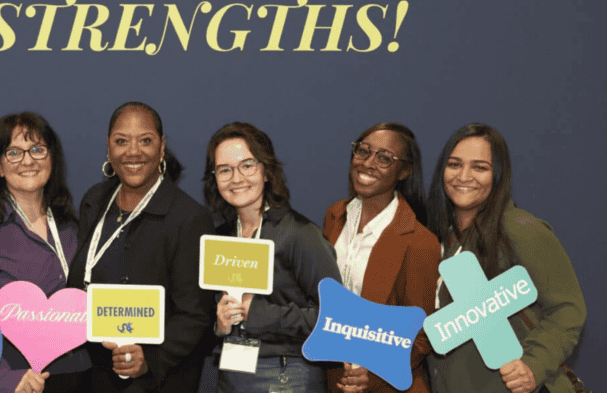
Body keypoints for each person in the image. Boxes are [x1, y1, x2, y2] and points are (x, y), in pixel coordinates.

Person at [66, 102, 215, 393]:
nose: (133, 152)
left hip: (161, 377)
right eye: (121, 141)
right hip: (99, 374)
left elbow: (195, 314)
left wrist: (150, 359)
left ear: (162, 148)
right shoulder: (94, 202)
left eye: (145, 140)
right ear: (108, 148)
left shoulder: (189, 217)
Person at [426, 124, 586, 393]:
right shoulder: (441, 239)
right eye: (454, 164)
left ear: (498, 175)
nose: (464, 176)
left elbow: (568, 310)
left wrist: (533, 366)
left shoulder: (520, 229)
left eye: (479, 167)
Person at [0, 112, 91, 393]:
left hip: (78, 373)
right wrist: (4, 377)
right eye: (14, 152)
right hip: (18, 381)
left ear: (52, 158)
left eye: (37, 149)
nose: (28, 161)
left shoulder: (70, 224)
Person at [204, 123, 340, 393]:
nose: (236, 178)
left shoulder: (299, 234)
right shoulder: (219, 238)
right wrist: (219, 324)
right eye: (225, 170)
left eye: (247, 165)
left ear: (266, 170)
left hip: (286, 375)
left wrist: (262, 314)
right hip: (231, 375)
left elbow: (336, 318)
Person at [321, 122, 440, 393]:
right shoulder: (335, 216)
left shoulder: (420, 242)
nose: (368, 163)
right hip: (335, 380)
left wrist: (372, 375)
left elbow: (422, 335)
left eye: (385, 158)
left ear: (404, 171)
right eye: (363, 151)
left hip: (388, 386)